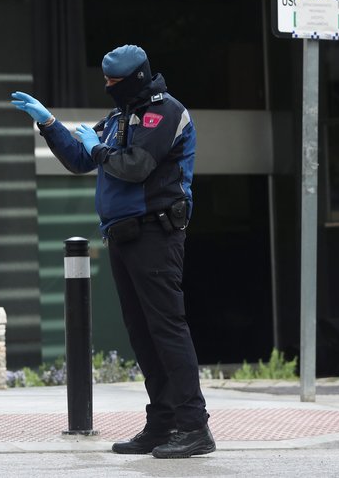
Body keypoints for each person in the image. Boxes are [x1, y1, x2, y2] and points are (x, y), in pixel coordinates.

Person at [11, 44, 215, 459]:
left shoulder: (164, 112)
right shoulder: (121, 115)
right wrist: (49, 123)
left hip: (156, 234)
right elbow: (80, 161)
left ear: (135, 79)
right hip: (123, 237)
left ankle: (194, 426)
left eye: (113, 82)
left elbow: (135, 165)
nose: (107, 87)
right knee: (142, 335)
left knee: (167, 330)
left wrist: (98, 148)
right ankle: (161, 424)